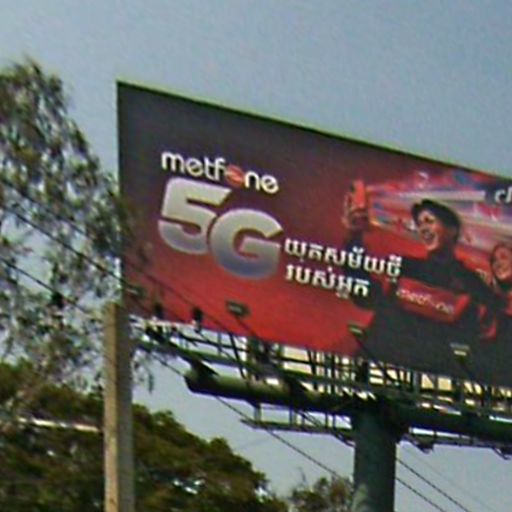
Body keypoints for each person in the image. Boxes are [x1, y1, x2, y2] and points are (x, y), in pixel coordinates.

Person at [344, 194, 503, 379]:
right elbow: (365, 296)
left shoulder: (471, 283)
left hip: (437, 380)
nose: (423, 228)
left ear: (452, 230)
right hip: (379, 368)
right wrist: (354, 238)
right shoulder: (405, 267)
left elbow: (488, 334)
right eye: (420, 224)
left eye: (429, 221)